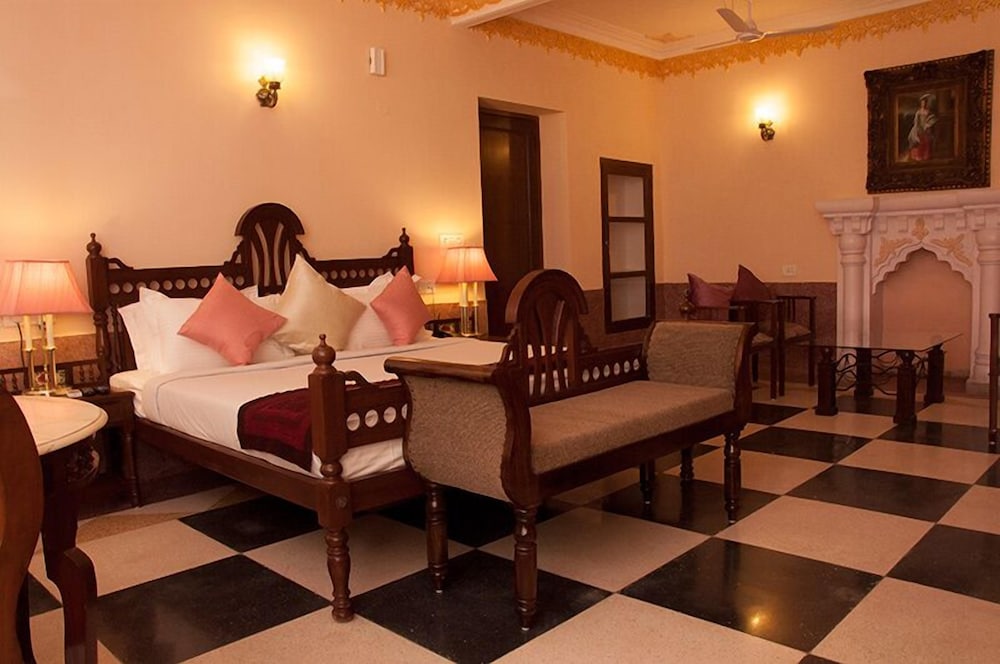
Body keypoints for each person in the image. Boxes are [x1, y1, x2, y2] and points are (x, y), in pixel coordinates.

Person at [907, 93, 937, 161]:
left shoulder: (928, 112)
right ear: (921, 103)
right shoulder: (918, 112)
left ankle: (926, 156)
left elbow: (930, 119)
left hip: (926, 129)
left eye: (925, 103)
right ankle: (919, 156)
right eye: (922, 103)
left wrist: (927, 125)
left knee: (927, 141)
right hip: (919, 128)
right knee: (918, 141)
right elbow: (916, 121)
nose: (924, 104)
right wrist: (917, 128)